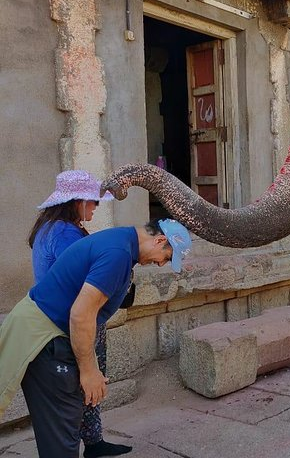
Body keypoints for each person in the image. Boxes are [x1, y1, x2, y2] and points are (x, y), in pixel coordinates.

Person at [0, 218, 192, 458]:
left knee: (61, 425)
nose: (162, 264)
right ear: (160, 240)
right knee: (63, 424)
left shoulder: (122, 243)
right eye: (167, 257)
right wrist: (89, 371)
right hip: (43, 333)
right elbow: (81, 315)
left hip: (44, 325)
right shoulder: (118, 254)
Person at [28, 170, 131, 457]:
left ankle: (94, 442)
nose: (97, 206)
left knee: (89, 387)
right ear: (76, 201)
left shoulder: (53, 228)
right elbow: (84, 278)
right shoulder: (63, 232)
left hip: (65, 319)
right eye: (92, 201)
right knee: (83, 386)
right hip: (72, 324)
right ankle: (82, 445)